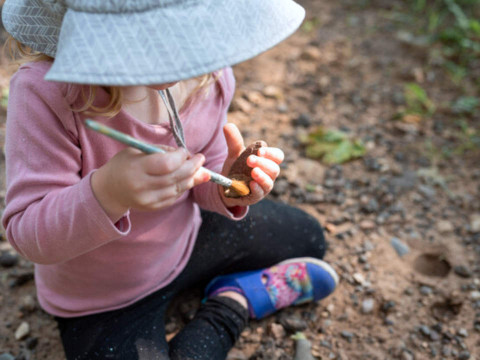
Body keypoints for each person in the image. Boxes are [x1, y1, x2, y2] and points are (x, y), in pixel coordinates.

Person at [1, 1, 338, 359]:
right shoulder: (49, 92)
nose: (175, 50)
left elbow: (204, 168)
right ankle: (231, 307)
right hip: (102, 297)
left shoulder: (207, 72)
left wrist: (232, 184)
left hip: (187, 240)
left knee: (309, 238)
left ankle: (228, 289)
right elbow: (27, 233)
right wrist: (108, 193)